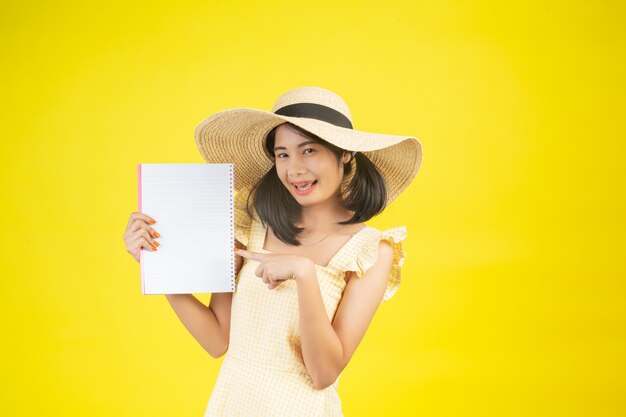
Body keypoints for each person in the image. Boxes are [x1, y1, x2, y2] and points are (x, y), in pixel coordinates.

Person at [123, 86, 423, 416]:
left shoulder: (368, 251)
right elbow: (217, 340)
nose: (293, 169)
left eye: (309, 151)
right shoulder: (251, 225)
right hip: (231, 406)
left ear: (345, 154)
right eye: (282, 154)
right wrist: (159, 263)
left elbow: (324, 373)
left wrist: (304, 275)